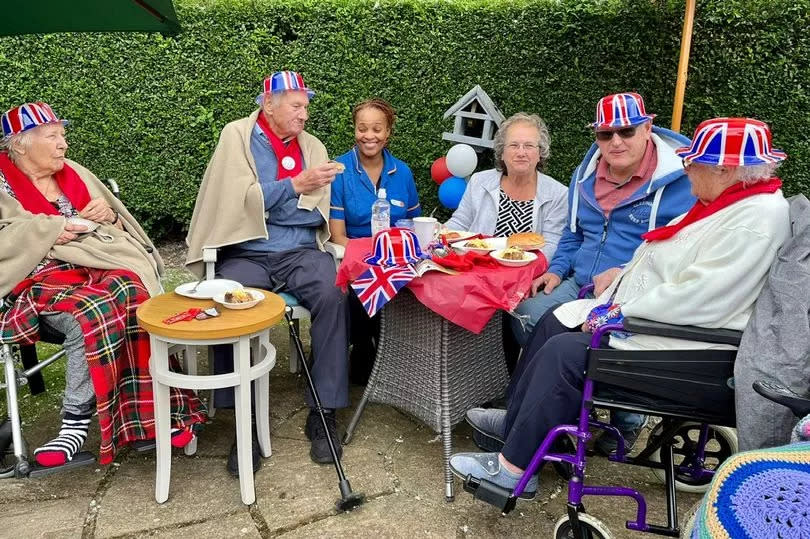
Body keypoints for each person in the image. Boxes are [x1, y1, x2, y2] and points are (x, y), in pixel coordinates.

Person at [449, 117, 791, 496]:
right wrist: (622, 276)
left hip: (677, 343)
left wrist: (616, 313)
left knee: (565, 353)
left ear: (724, 169)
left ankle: (513, 470)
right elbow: (672, 260)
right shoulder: (728, 204)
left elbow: (700, 297)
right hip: (647, 313)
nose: (686, 168)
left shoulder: (752, 221)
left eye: (693, 162)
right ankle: (518, 421)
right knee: (550, 321)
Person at [0, 102, 206, 468]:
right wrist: (49, 230)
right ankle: (74, 424)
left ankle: (155, 413)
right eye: (53, 136)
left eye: (63, 134)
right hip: (38, 281)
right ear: (20, 145)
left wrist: (108, 216)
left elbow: (119, 227)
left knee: (133, 294)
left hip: (100, 268)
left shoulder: (74, 172)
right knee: (91, 310)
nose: (63, 144)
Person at [510, 93, 696, 453]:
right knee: (525, 314)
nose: (616, 142)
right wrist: (556, 269)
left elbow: (680, 251)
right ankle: (560, 411)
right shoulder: (585, 173)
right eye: (605, 134)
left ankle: (625, 419)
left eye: (626, 131)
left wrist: (625, 272)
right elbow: (574, 233)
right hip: (580, 282)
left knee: (579, 346)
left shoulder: (681, 184)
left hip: (632, 292)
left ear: (647, 127)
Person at [185, 72, 349, 472]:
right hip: (247, 252)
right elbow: (235, 203)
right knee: (227, 301)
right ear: (269, 104)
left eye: (306, 106)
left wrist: (270, 198)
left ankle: (323, 410)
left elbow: (313, 207)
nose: (305, 114)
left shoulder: (313, 146)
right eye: (297, 106)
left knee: (332, 293)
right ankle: (244, 421)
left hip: (299, 250)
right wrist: (294, 186)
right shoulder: (236, 136)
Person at [329, 98, 420, 383]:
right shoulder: (339, 171)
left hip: (396, 259)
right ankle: (364, 349)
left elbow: (413, 225)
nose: (369, 136)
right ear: (354, 130)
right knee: (360, 285)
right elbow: (337, 235)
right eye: (362, 128)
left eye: (377, 129)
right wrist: (369, 257)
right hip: (353, 256)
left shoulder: (402, 172)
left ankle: (397, 358)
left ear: (388, 132)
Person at [444, 112, 568, 265]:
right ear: (502, 153)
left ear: (540, 154)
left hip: (525, 274)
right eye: (514, 145)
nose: (521, 153)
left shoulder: (558, 194)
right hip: (475, 266)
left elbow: (551, 245)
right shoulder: (479, 181)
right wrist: (441, 233)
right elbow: (460, 223)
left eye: (529, 146)